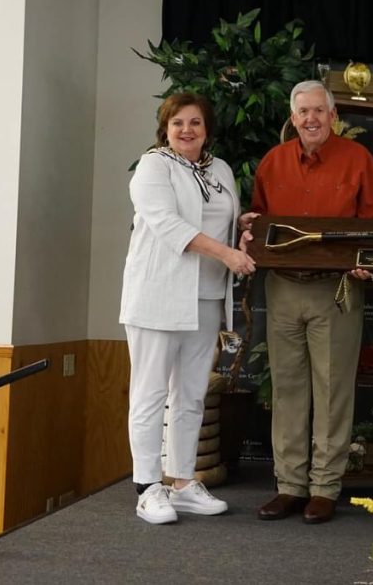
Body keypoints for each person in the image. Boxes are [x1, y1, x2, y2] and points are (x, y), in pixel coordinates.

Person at [119, 92, 256, 524]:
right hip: (158, 295)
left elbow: (219, 221)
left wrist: (242, 229)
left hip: (206, 295)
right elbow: (170, 225)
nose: (187, 130)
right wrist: (229, 255)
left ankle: (181, 481)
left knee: (192, 392)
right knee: (151, 391)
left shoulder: (220, 169)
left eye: (195, 122)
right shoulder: (153, 166)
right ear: (165, 127)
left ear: (207, 129)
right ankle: (147, 487)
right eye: (178, 122)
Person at [250, 80, 373, 524]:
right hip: (283, 287)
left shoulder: (358, 160)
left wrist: (365, 262)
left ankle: (325, 487)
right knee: (287, 389)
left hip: (337, 288)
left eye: (319, 111)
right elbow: (260, 223)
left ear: (332, 115)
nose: (311, 119)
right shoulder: (273, 162)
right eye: (303, 112)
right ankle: (289, 485)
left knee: (333, 390)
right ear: (293, 118)